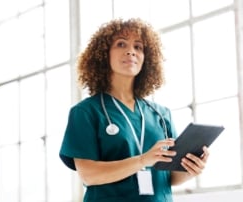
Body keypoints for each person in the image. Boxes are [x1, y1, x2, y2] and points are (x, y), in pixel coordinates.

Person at [59, 18, 209, 202]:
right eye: (121, 44)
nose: (131, 51)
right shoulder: (86, 112)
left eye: (138, 47)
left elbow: (170, 177)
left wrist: (191, 169)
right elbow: (89, 175)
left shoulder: (161, 114)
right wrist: (142, 160)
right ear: (103, 54)